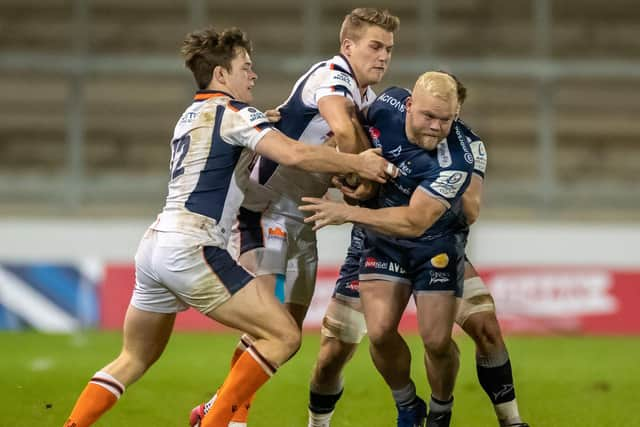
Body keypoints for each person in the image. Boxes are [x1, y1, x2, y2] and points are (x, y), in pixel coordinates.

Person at [62, 26, 397, 427]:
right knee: (285, 335)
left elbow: (232, 147)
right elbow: (292, 153)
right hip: (196, 246)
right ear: (221, 76)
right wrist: (358, 163)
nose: (253, 76)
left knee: (132, 358)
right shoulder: (236, 112)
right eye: (246, 68)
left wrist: (265, 124)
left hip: (154, 246)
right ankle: (219, 420)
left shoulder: (190, 115)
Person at [189, 8, 399, 427]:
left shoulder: (367, 99)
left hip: (302, 220)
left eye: (389, 50)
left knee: (290, 329)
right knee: (268, 323)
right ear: (347, 46)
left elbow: (341, 155)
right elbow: (341, 130)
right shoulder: (330, 76)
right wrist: (363, 170)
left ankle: (214, 407)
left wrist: (352, 178)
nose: (383, 57)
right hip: (264, 211)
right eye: (375, 46)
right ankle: (231, 417)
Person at [307, 76, 530, 427]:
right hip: (375, 239)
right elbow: (348, 126)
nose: (437, 126)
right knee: (346, 343)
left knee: (460, 333)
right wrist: (352, 170)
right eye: (430, 115)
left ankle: (495, 418)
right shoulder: (388, 104)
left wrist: (351, 208)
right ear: (411, 104)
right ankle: (401, 406)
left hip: (435, 242)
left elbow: (454, 214)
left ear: (457, 112)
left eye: (446, 119)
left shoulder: (462, 153)